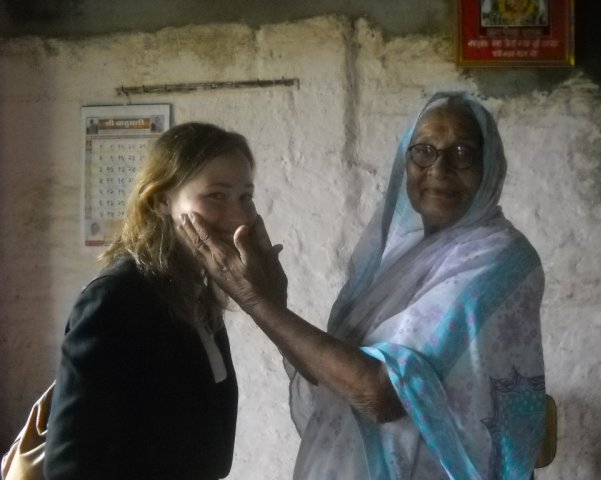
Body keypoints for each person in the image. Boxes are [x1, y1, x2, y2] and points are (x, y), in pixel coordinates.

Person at [180, 92, 547, 479]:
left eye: (462, 152)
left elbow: (380, 394)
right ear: (405, 163)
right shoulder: (405, 257)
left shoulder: (497, 258)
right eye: (423, 151)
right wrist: (272, 305)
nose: (439, 168)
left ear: (490, 166)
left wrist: (257, 301)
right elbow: (332, 373)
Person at [44, 122, 259, 479]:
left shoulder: (196, 291)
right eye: (216, 196)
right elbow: (70, 465)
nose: (239, 217)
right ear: (161, 200)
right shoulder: (116, 299)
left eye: (245, 197)